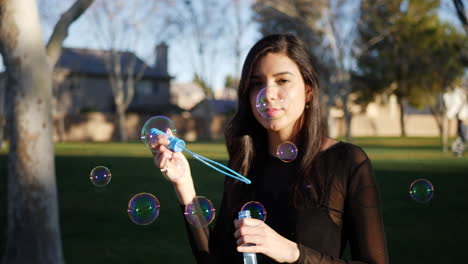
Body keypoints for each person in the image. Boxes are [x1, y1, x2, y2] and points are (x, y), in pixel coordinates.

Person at [152, 34, 388, 264]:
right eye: (257, 83)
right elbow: (216, 257)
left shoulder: (346, 162)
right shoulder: (243, 163)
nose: (268, 94)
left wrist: (293, 252)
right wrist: (184, 185)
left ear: (308, 90)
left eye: (282, 81)